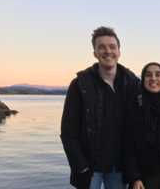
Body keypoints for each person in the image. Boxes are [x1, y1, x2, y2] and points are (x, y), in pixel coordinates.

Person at [60, 26, 140, 189]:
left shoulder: (132, 83)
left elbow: (155, 101)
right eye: (101, 47)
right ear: (95, 53)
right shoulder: (80, 84)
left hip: (119, 166)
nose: (107, 51)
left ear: (119, 52)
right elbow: (69, 128)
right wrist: (78, 162)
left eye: (112, 47)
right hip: (89, 167)